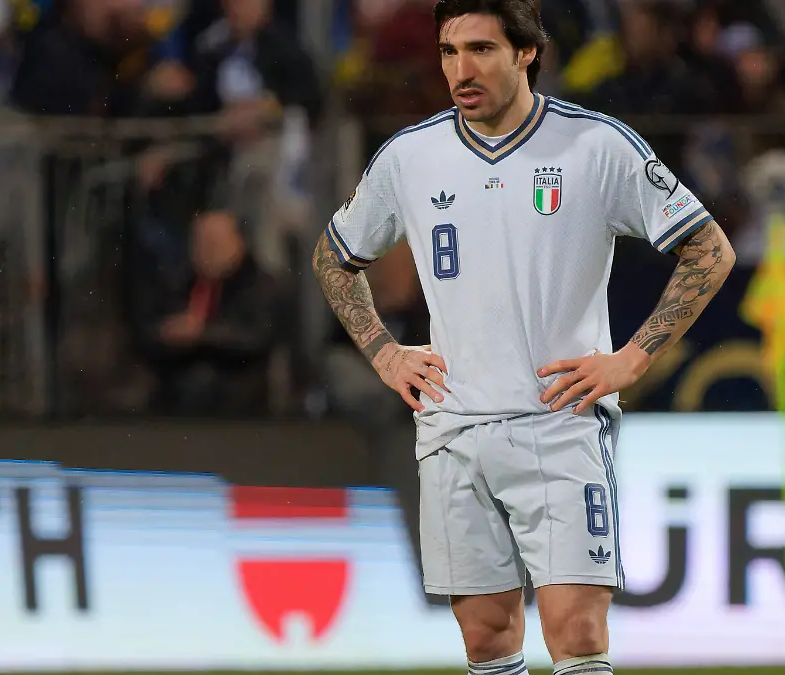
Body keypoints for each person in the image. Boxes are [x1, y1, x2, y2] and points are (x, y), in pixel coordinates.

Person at [311, 0, 736, 673]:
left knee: (576, 625)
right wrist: (384, 352)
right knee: (485, 632)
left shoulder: (595, 145)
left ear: (526, 52)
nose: (461, 69)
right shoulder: (410, 156)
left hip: (559, 420)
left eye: (480, 49)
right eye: (449, 52)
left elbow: (709, 250)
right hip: (453, 427)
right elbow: (333, 258)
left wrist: (632, 358)